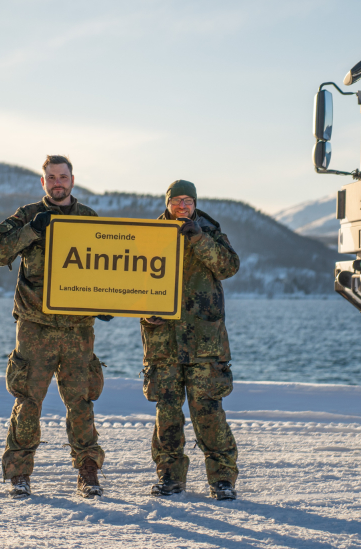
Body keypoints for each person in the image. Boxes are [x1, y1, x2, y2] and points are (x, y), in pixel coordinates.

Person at [0, 155, 106, 499]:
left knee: (81, 402)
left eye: (63, 176)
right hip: (35, 327)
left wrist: (107, 303)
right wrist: (31, 230)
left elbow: (107, 269)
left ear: (72, 180)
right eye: (51, 177)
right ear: (44, 182)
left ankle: (88, 471)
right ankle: (20, 474)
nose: (57, 182)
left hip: (77, 329)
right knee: (27, 402)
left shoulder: (89, 219)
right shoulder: (27, 215)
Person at [140, 180, 240, 500]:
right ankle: (169, 476)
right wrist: (145, 314)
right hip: (163, 343)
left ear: (195, 203)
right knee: (167, 415)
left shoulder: (210, 233)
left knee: (208, 412)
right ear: (167, 203)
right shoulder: (149, 236)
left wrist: (198, 240)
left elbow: (228, 266)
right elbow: (132, 283)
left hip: (204, 344)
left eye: (188, 200)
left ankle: (222, 479)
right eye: (176, 201)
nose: (182, 206)